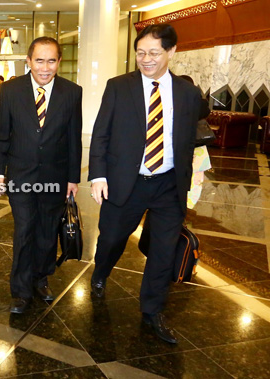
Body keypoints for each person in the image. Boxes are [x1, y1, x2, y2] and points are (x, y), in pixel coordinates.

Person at [88, 24, 204, 344]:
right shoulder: (118, 87)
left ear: (171, 52)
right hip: (127, 182)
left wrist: (199, 170)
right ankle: (101, 272)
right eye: (141, 53)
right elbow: (101, 133)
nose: (146, 59)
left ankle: (152, 310)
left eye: (154, 53)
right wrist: (98, 175)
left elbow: (195, 136)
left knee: (164, 250)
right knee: (111, 238)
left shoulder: (188, 93)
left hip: (169, 184)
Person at [0, 36, 83, 314]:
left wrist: (73, 177)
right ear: (28, 61)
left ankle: (41, 278)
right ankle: (20, 290)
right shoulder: (10, 90)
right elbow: (2, 135)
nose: (45, 67)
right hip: (20, 174)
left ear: (59, 62)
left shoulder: (72, 92)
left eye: (51, 60)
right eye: (39, 60)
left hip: (55, 176)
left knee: (46, 230)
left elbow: (73, 138)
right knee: (24, 230)